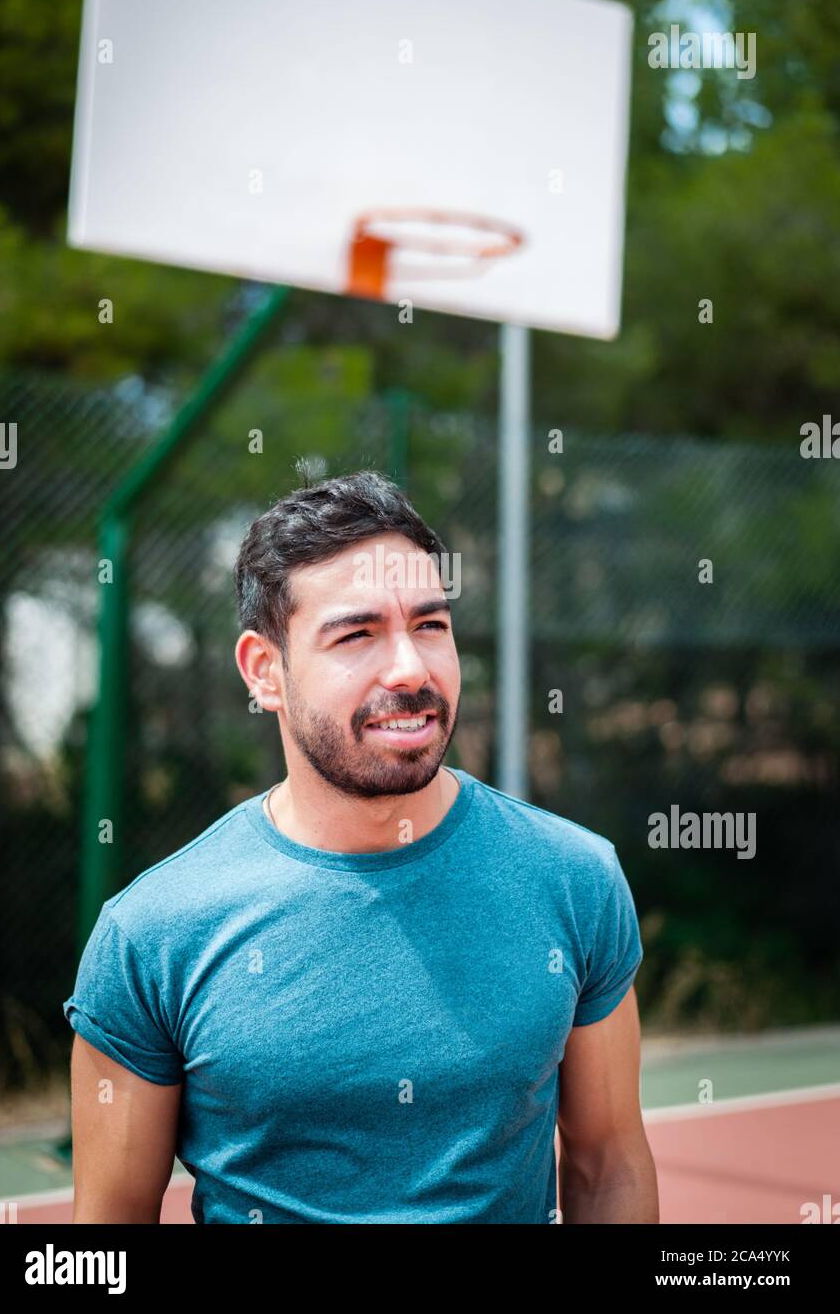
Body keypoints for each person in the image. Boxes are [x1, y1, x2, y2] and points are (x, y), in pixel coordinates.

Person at [63, 468, 658, 1224]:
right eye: (356, 634)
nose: (410, 668)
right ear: (264, 671)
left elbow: (608, 1165)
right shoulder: (151, 933)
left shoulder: (574, 878)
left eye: (430, 625)